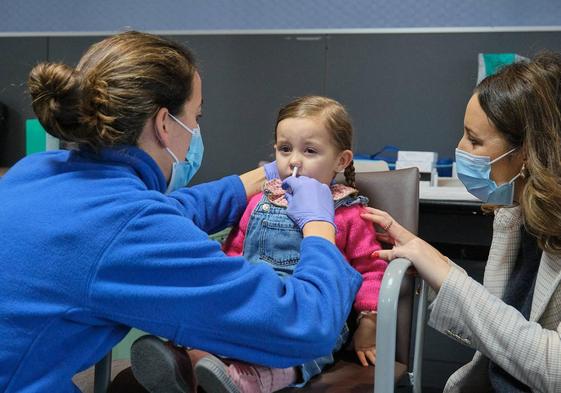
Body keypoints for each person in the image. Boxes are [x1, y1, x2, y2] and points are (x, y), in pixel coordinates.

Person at [0, 31, 363, 393]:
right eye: (196, 116)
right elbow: (304, 325)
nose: (196, 131)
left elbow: (170, 210)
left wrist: (265, 173)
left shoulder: (34, 172)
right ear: (163, 124)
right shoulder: (129, 225)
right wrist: (318, 225)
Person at [134, 96, 387, 393]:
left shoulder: (349, 212)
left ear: (341, 160)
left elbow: (371, 268)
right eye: (284, 149)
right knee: (211, 324)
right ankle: (188, 363)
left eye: (310, 151)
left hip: (311, 318)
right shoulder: (259, 201)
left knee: (308, 350)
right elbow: (234, 252)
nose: (294, 160)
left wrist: (369, 327)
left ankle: (250, 381)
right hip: (255, 303)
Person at [363, 51, 561, 392]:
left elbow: (553, 368)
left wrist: (446, 273)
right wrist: (431, 267)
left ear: (527, 152)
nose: (460, 148)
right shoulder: (514, 213)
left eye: (475, 140)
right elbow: (500, 331)